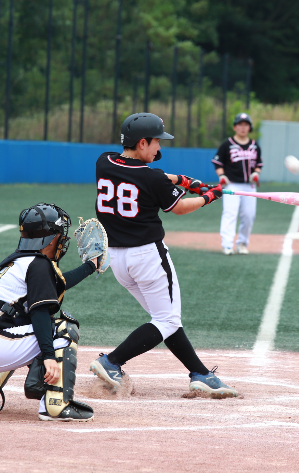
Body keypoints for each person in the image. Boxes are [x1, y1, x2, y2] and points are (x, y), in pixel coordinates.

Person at [89, 112, 238, 398]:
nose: (159, 148)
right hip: (147, 257)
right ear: (142, 142)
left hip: (117, 260)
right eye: (156, 142)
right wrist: (210, 196)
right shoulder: (152, 178)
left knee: (165, 319)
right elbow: (179, 207)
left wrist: (181, 180)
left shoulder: (103, 161)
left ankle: (200, 374)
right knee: (167, 320)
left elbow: (145, 176)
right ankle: (111, 361)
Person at [0, 203, 102, 421]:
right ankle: (56, 404)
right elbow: (40, 313)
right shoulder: (39, 265)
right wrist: (48, 356)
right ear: (51, 238)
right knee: (62, 329)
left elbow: (57, 284)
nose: (63, 239)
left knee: (13, 327)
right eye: (60, 234)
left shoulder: (14, 262)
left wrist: (90, 266)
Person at [213, 112, 263, 255]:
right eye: (240, 125)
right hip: (232, 185)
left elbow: (259, 163)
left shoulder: (255, 146)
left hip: (250, 186)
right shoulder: (227, 145)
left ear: (250, 128)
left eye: (246, 125)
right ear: (235, 127)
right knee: (230, 214)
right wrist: (222, 175)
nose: (243, 127)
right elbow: (218, 162)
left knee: (248, 215)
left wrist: (256, 173)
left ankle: (242, 243)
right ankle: (227, 245)